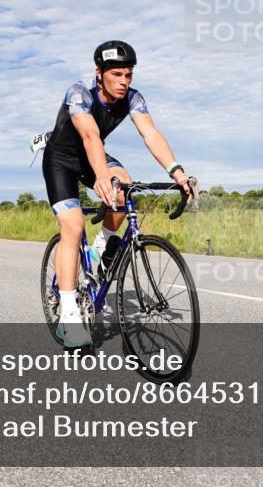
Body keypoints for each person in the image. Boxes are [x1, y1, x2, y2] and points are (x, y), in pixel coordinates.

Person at [42, 41, 192, 348]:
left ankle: (99, 248)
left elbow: (150, 133)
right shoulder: (79, 94)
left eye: (129, 74)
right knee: (73, 226)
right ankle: (69, 315)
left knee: (124, 185)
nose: (124, 81)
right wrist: (99, 176)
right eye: (117, 74)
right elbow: (89, 134)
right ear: (99, 73)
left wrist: (176, 171)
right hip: (61, 161)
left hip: (92, 156)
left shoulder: (133, 99)